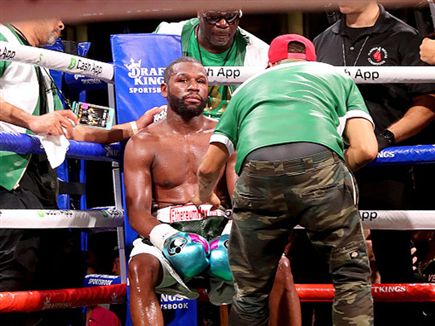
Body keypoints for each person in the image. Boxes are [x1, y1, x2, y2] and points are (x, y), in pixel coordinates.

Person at [193, 34, 377, 326]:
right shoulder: (334, 76)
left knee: (250, 292)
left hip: (257, 177)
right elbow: (367, 149)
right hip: (321, 168)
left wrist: (206, 196)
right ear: (314, 61)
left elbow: (207, 169)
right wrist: (334, 172)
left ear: (270, 63)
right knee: (350, 277)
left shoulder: (246, 89)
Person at [0, 18, 159, 325]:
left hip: (39, 180)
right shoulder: (3, 37)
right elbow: (40, 122)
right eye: (58, 12)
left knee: (60, 270)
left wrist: (134, 127)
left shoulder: (40, 62)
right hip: (7, 177)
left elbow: (72, 129)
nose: (61, 24)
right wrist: (31, 121)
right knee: (13, 275)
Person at [124, 56, 300, 326]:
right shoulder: (143, 143)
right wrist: (168, 238)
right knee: (140, 269)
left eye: (201, 81)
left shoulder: (224, 136)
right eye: (182, 80)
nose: (193, 87)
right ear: (164, 89)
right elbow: (137, 213)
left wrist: (231, 232)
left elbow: (243, 198)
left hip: (220, 228)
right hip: (168, 229)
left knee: (278, 265)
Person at [314, 2, 435, 324]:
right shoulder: (322, 40)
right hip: (335, 164)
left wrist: (386, 138)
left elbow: (427, 104)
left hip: (387, 166)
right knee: (324, 255)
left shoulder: (405, 38)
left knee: (393, 256)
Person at [154, 9, 268, 118]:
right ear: (199, 13)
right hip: (179, 126)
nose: (223, 24)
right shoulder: (166, 36)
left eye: (230, 17)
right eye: (214, 17)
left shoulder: (260, 54)